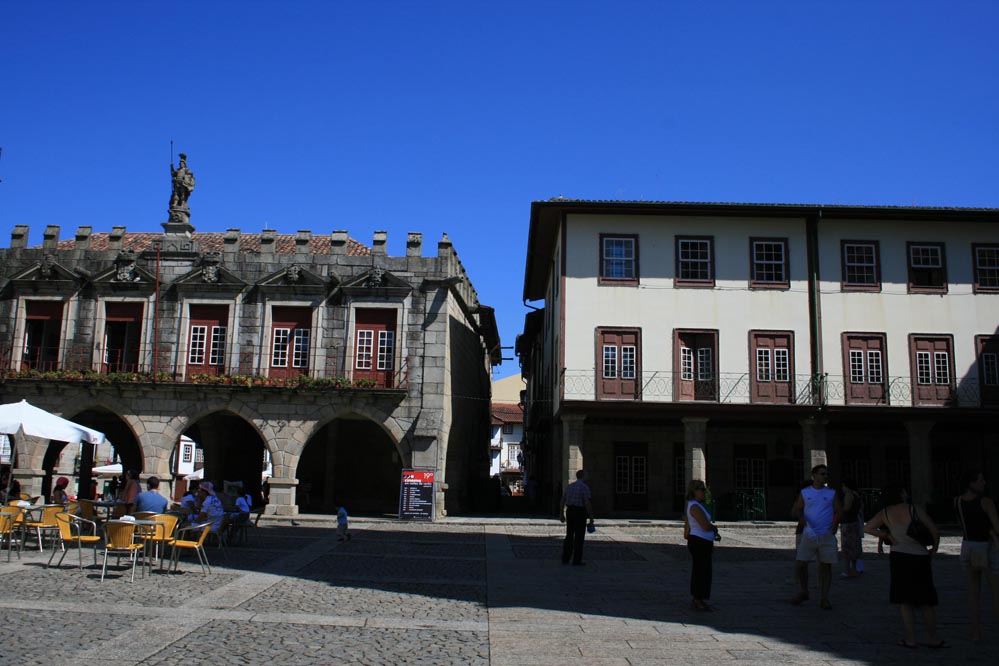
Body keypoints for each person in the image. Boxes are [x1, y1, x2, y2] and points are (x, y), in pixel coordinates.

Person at [864, 484, 945, 649]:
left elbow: (867, 527)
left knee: (904, 600)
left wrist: (886, 535)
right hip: (920, 556)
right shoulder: (914, 509)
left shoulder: (886, 512)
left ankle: (910, 639)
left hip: (899, 556)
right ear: (902, 493)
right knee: (926, 600)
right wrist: (934, 548)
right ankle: (933, 638)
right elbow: (934, 529)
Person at [954, 470, 999, 642]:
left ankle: (975, 632)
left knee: (973, 592)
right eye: (981, 480)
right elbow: (997, 527)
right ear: (972, 483)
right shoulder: (986, 502)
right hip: (984, 546)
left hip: (968, 545)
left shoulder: (957, 501)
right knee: (995, 590)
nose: (984, 483)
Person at [790, 464, 842, 609]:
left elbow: (839, 510)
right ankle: (804, 590)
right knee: (801, 564)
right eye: (822, 474)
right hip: (809, 534)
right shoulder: (805, 492)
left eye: (826, 474)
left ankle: (824, 598)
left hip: (826, 535)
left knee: (826, 566)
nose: (825, 477)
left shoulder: (831, 493)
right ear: (814, 475)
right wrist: (802, 520)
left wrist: (835, 522)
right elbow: (796, 509)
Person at [685, 480, 719, 611]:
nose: (705, 492)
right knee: (701, 571)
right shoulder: (694, 506)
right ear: (695, 491)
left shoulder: (696, 505)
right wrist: (714, 528)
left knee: (703, 571)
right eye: (702, 490)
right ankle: (697, 599)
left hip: (702, 541)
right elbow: (704, 526)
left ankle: (700, 598)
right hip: (699, 542)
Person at [560, 469, 595, 566]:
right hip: (580, 512)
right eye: (586, 474)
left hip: (570, 511)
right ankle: (576, 560)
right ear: (583, 476)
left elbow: (563, 500)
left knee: (569, 535)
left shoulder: (570, 487)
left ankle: (565, 558)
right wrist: (591, 516)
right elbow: (587, 503)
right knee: (579, 537)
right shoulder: (584, 487)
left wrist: (561, 513)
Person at [838, 477, 864, 578]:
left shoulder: (849, 495)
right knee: (855, 547)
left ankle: (847, 570)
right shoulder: (856, 495)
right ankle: (854, 569)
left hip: (848, 523)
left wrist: (839, 509)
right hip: (855, 522)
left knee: (847, 548)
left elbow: (847, 508)